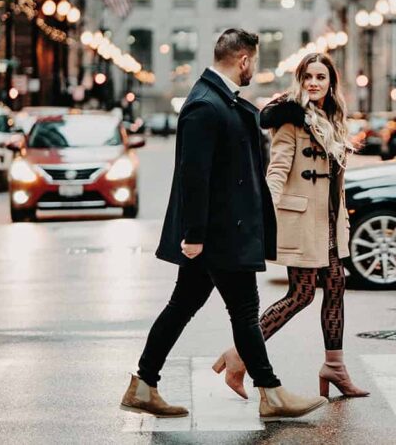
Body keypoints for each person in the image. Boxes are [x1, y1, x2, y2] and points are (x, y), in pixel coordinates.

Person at [121, 29, 328, 421]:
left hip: (223, 230)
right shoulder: (205, 104)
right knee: (244, 311)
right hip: (219, 233)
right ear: (244, 60)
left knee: (183, 305)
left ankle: (144, 384)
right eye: (254, 62)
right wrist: (194, 235)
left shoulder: (220, 100)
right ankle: (271, 392)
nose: (254, 69)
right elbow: (194, 176)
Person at [212, 52, 370, 400]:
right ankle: (239, 355)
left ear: (331, 83)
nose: (313, 83)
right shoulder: (291, 119)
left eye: (320, 77)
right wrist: (263, 215)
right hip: (301, 221)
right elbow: (277, 170)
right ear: (300, 81)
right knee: (301, 295)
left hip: (329, 222)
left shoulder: (333, 119)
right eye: (307, 77)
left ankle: (335, 366)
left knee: (336, 286)